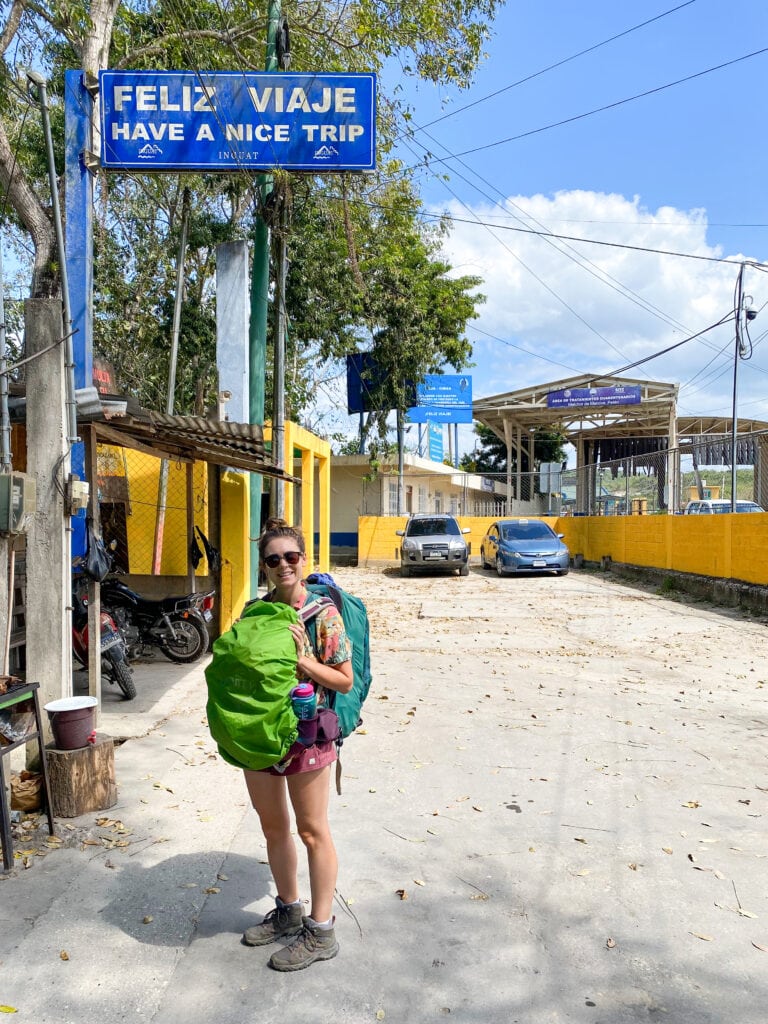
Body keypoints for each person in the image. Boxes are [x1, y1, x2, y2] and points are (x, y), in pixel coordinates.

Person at [241, 517, 353, 972]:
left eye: (291, 557)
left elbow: (343, 682)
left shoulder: (323, 615)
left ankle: (321, 930)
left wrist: (304, 660)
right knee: (273, 828)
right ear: (264, 565)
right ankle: (288, 909)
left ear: (304, 561)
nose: (283, 565)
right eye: (274, 559)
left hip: (308, 735)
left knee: (311, 830)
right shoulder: (255, 612)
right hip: (262, 735)